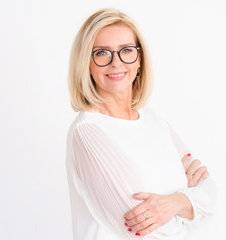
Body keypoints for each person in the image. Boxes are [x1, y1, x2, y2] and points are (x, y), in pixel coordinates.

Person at [66, 8, 218, 240]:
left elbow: (211, 195)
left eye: (126, 50)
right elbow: (140, 228)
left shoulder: (155, 120)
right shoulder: (88, 131)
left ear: (139, 61)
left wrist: (174, 203)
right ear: (86, 63)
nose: (116, 63)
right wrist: (187, 203)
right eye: (102, 53)